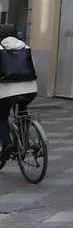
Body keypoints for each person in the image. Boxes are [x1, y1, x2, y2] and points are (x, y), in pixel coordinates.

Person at [0, 24, 37, 168]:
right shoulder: (25, 47)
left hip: (7, 92)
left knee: (2, 117)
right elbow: (33, 68)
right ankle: (23, 141)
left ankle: (7, 145)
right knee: (22, 111)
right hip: (30, 90)